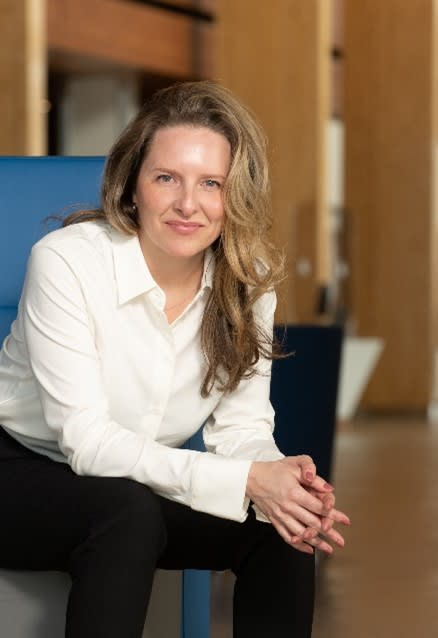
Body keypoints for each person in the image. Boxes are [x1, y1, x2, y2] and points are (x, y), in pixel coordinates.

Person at [0, 81, 349, 638]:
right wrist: (244, 479)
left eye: (211, 183)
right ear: (132, 186)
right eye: (167, 178)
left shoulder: (247, 284)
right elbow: (87, 443)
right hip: (19, 470)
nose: (190, 204)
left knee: (279, 524)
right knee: (126, 512)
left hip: (136, 484)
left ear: (234, 196)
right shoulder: (66, 262)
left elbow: (242, 431)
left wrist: (278, 479)